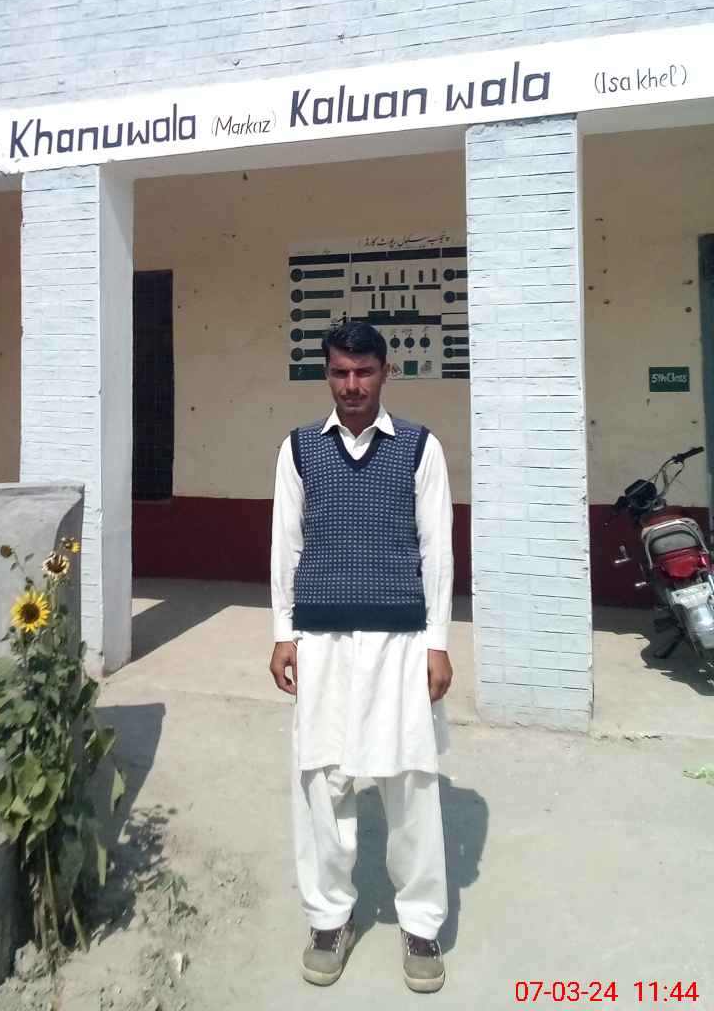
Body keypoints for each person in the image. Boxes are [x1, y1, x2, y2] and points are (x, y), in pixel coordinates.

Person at [270, 318, 453, 992]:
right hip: (321, 640)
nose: (352, 385)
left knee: (411, 785)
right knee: (323, 784)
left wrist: (438, 643)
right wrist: (283, 632)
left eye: (364, 372)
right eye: (341, 372)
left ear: (385, 373)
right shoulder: (298, 449)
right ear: (327, 375)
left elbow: (438, 549)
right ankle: (329, 918)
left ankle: (421, 924)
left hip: (401, 642)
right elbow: (285, 545)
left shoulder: (420, 448)